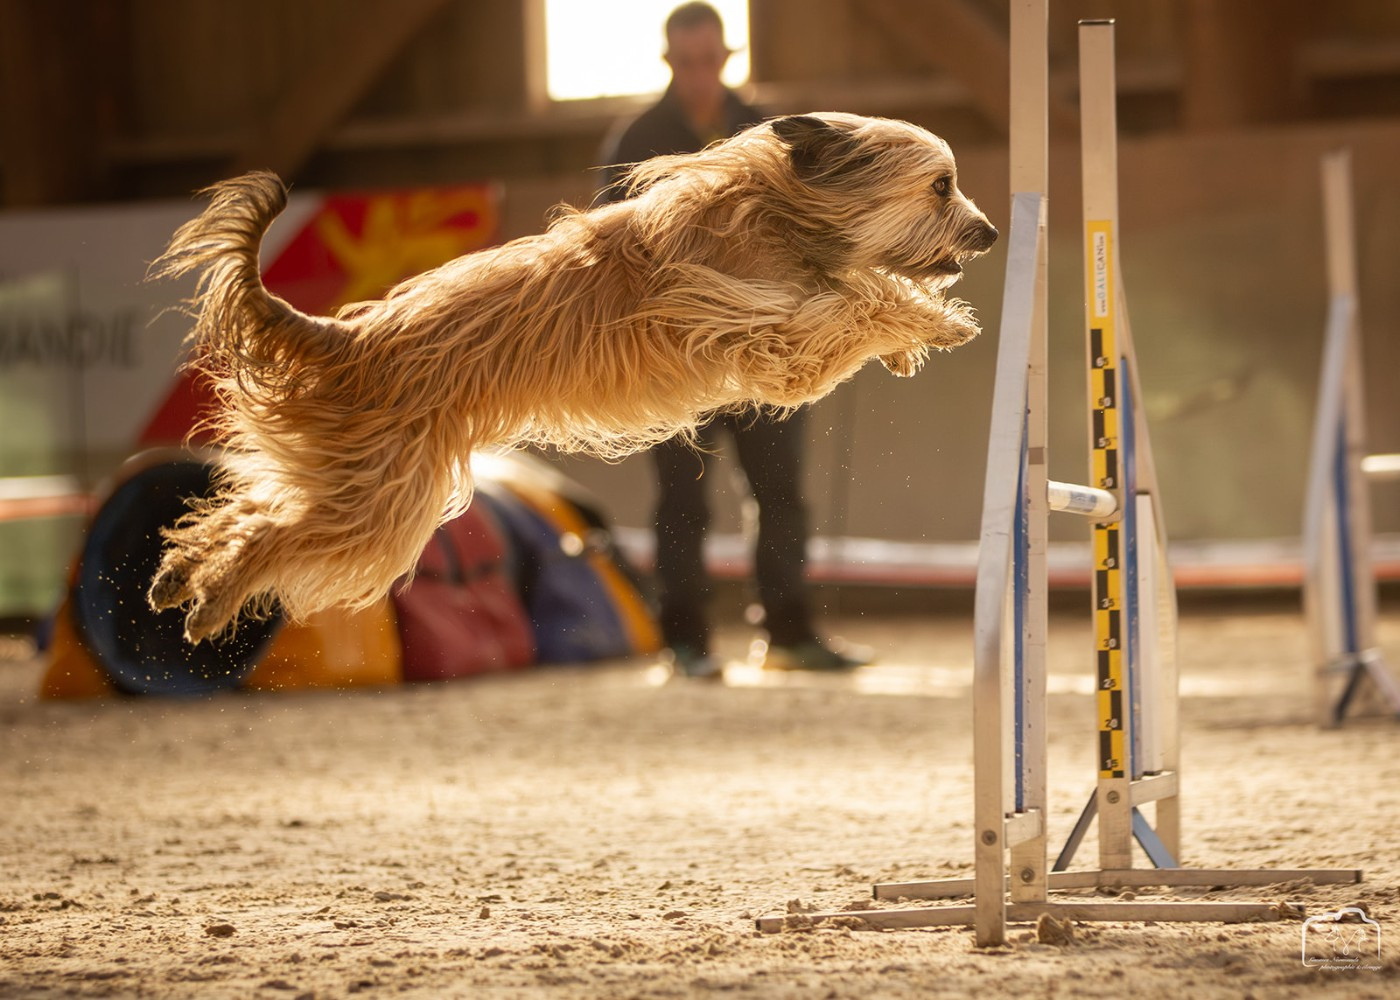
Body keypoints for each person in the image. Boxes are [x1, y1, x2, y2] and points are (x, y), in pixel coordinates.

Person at [598, 2, 871, 679]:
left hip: (767, 355)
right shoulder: (635, 141)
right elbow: (612, 252)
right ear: (669, 63)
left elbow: (814, 227)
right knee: (682, 503)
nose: (699, 74)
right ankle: (685, 643)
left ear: (726, 57)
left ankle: (789, 634)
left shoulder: (772, 134)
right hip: (676, 362)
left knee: (782, 494)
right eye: (686, 63)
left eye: (709, 60)